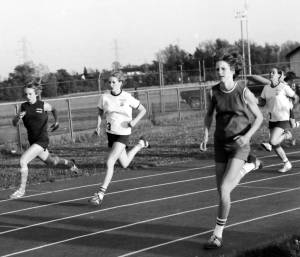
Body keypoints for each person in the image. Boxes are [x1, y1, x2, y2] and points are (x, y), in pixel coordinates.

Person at [200, 52, 263, 249]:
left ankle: (217, 235)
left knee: (226, 189)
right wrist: (205, 135)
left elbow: (259, 118)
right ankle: (249, 166)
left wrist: (246, 137)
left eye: (223, 69)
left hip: (239, 144)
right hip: (220, 144)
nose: (219, 72)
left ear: (233, 71)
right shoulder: (213, 92)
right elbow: (209, 116)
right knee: (221, 191)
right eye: (217, 68)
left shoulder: (243, 92)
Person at [90, 71, 149, 206]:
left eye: (114, 82)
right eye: (109, 82)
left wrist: (134, 122)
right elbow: (99, 112)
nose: (111, 84)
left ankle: (100, 194)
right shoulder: (104, 97)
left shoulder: (127, 97)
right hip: (111, 133)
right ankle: (141, 144)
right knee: (124, 163)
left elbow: (143, 110)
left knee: (109, 162)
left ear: (121, 83)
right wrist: (97, 127)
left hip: (123, 133)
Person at [10, 83, 78, 199]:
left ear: (36, 93)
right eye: (26, 94)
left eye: (30, 94)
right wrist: (17, 118)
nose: (28, 96)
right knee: (51, 162)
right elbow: (14, 123)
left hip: (42, 140)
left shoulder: (43, 105)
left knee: (23, 161)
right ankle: (70, 163)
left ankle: (21, 190)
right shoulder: (23, 107)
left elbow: (54, 109)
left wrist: (57, 122)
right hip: (33, 141)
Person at [258, 68, 299, 172]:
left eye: (273, 72)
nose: (271, 74)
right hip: (273, 118)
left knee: (272, 141)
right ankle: (286, 163)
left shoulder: (284, 87)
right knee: (275, 144)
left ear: (279, 75)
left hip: (283, 118)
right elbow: (262, 102)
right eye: (270, 72)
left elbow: (296, 97)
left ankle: (286, 134)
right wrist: (252, 102)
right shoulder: (266, 88)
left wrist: (292, 107)